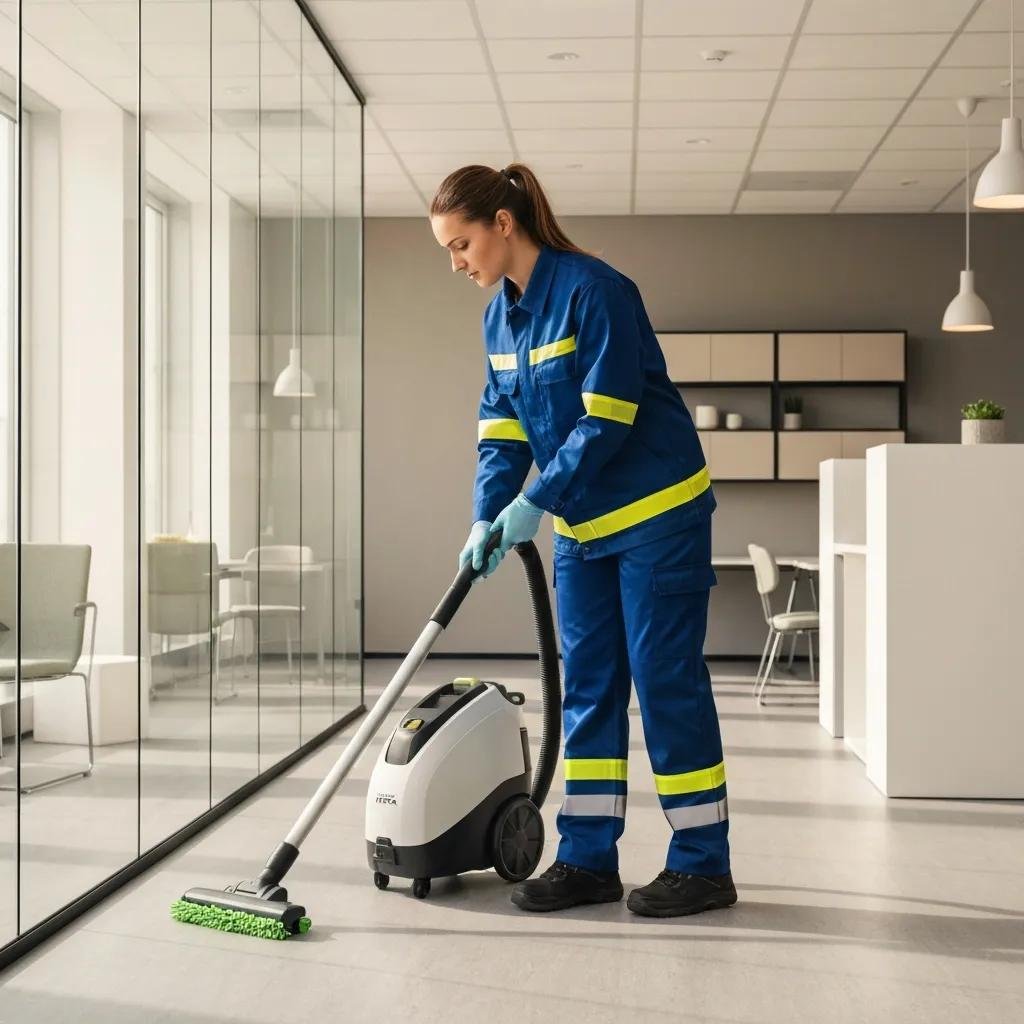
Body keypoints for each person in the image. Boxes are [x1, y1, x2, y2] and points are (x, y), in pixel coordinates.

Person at [430, 163, 736, 918]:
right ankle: (588, 858)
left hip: (658, 515)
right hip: (585, 527)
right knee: (591, 692)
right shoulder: (499, 319)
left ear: (504, 224)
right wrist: (488, 512)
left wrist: (534, 501)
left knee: (665, 685)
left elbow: (608, 416)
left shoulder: (596, 291)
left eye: (461, 243)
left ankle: (703, 864)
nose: (457, 263)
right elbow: (501, 431)